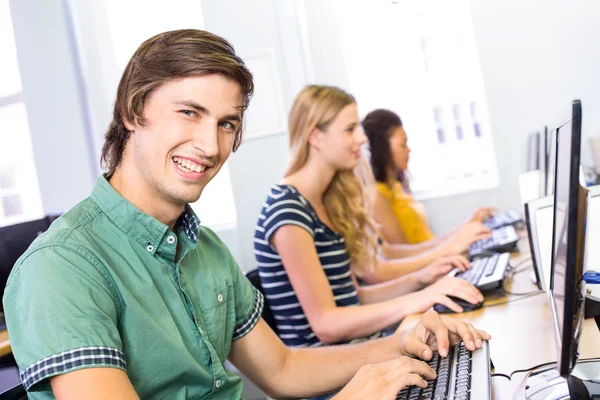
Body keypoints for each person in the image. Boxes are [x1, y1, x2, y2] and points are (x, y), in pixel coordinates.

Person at [3, 30, 490, 400]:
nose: (210, 145)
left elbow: (282, 369)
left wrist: (399, 344)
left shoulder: (204, 248)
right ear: (133, 111)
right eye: (189, 113)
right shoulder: (61, 269)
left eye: (226, 123)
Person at [254, 85, 485, 352]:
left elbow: (354, 298)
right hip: (332, 375)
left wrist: (421, 279)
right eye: (350, 129)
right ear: (316, 137)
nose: (362, 138)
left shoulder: (327, 200)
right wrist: (416, 299)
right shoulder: (288, 212)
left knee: (465, 342)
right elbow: (326, 324)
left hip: (361, 350)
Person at [362, 108, 494, 246]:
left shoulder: (396, 187)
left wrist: (468, 226)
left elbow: (428, 243)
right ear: (383, 149)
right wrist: (457, 241)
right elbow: (405, 253)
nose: (408, 150)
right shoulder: (377, 196)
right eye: (403, 145)